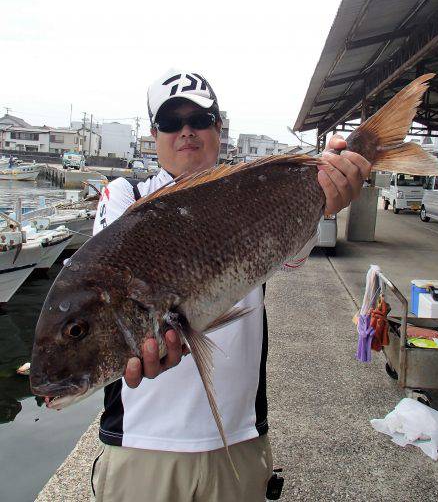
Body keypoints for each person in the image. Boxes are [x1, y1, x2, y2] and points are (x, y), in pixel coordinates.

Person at [91, 69, 371, 502]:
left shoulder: (251, 190)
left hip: (236, 439)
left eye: (200, 120)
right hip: (144, 444)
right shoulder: (125, 196)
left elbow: (293, 258)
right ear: (154, 133)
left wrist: (327, 193)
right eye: (172, 122)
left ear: (218, 129)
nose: (187, 131)